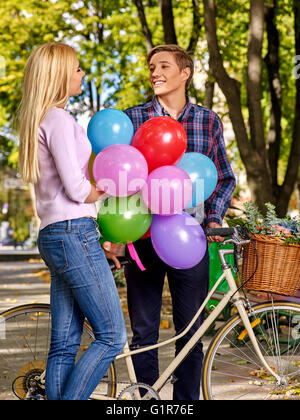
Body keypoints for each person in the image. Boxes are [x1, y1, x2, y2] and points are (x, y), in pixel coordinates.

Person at [124, 44, 236, 400]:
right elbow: (119, 178)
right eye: (151, 66)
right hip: (141, 236)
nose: (154, 72)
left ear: (185, 73)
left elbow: (224, 178)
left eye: (163, 66)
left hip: (190, 239)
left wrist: (214, 218)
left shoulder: (208, 121)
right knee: (144, 332)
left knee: (191, 332)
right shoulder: (133, 119)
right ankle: (146, 402)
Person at [17, 42, 126, 400]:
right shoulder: (59, 119)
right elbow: (79, 189)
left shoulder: (41, 119)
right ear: (60, 74)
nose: (82, 73)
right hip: (73, 233)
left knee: (64, 345)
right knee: (111, 336)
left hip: (57, 235)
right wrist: (111, 186)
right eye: (77, 68)